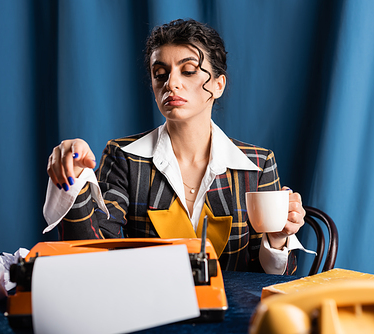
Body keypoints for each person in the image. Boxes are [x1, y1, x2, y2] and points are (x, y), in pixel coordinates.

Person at [45, 18, 308, 275]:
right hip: (150, 309)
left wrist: (276, 238)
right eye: (160, 74)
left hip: (234, 313)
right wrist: (77, 179)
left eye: (189, 71)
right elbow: (95, 252)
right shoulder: (124, 156)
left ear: (218, 85)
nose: (171, 83)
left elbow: (272, 275)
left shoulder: (258, 164)